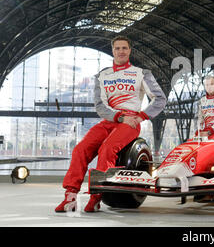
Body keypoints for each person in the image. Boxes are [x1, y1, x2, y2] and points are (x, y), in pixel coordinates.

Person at [55, 36, 167, 212]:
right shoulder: (102, 75)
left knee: (107, 148)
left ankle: (96, 197)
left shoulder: (141, 73)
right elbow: (100, 105)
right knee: (80, 149)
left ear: (130, 50)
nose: (121, 51)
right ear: (113, 50)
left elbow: (160, 99)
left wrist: (142, 116)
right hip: (110, 120)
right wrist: (118, 117)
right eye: (117, 48)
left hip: (130, 122)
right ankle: (70, 197)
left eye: (124, 48)